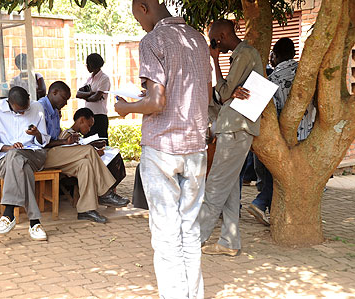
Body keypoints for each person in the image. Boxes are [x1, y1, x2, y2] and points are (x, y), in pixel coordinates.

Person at [115, 1, 212, 298]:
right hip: (195, 147)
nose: (140, 25)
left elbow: (157, 102)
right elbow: (204, 93)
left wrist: (126, 107)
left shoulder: (153, 40)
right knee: (190, 230)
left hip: (163, 149)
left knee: (167, 234)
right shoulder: (197, 39)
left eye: (137, 18)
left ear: (143, 7)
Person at [198, 19, 263, 257]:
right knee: (229, 187)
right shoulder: (241, 56)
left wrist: (215, 61)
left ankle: (195, 240)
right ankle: (229, 241)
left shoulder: (244, 53)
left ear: (223, 35)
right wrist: (228, 91)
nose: (213, 45)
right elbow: (224, 93)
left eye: (214, 40)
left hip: (236, 127)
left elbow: (223, 93)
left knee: (215, 185)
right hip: (234, 126)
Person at [246, 37, 316, 225]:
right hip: (306, 134)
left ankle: (261, 203)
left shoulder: (271, 79)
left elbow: (265, 113)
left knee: (272, 174)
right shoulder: (307, 74)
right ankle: (269, 210)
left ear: (274, 56)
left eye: (271, 56)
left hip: (280, 138)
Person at [38, 82, 128, 224]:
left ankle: (86, 210)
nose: (65, 103)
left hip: (55, 153)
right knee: (88, 150)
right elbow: (41, 141)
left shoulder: (55, 111)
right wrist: (64, 142)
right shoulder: (40, 108)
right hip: (41, 155)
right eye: (64, 98)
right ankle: (105, 192)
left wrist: (67, 141)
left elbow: (55, 137)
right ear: (54, 92)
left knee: (85, 164)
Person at [0, 86, 50, 241]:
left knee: (17, 158)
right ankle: (35, 223)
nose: (23, 113)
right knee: (20, 165)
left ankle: (8, 214)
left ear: (29, 98)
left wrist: (37, 134)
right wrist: (9, 148)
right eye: (19, 111)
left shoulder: (36, 107)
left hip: (34, 154)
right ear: (9, 103)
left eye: (25, 110)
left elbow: (44, 141)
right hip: (5, 159)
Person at [76, 53, 111, 140]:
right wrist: (91, 93)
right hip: (88, 116)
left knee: (101, 142)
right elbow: (78, 94)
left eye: (88, 64)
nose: (87, 66)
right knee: (88, 142)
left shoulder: (104, 78)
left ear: (92, 64)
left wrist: (87, 96)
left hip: (99, 116)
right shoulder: (90, 79)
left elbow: (96, 97)